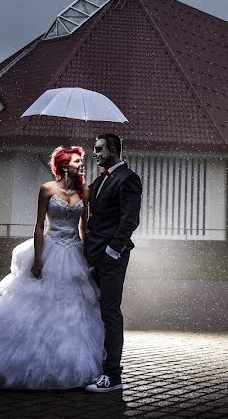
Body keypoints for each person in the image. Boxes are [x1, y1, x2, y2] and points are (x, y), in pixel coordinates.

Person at [0, 146, 104, 390]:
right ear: (63, 165)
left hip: (73, 252)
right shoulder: (47, 189)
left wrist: (88, 255)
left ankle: (68, 364)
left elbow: (84, 228)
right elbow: (39, 225)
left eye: (82, 161)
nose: (82, 164)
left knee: (73, 312)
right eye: (77, 161)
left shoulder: (85, 191)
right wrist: (38, 259)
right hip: (50, 249)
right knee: (38, 306)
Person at [84, 133, 142, 393]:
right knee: (95, 313)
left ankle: (113, 376)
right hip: (93, 258)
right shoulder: (97, 183)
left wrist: (111, 251)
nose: (95, 154)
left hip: (112, 258)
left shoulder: (128, 179)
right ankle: (99, 365)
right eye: (94, 150)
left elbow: (129, 220)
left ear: (114, 150)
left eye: (99, 149)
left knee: (110, 312)